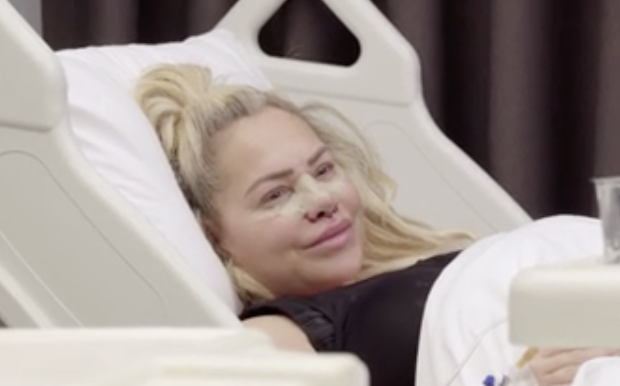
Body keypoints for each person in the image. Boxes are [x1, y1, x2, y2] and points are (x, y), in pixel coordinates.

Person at [134, 63, 617, 386]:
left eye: (323, 170)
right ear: (213, 234)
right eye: (275, 194)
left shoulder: (426, 256)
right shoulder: (285, 336)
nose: (320, 199)